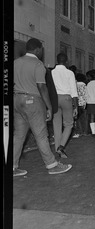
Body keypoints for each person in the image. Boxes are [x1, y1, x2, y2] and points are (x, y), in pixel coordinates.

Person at [13, 38, 72, 176]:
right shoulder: (38, 64)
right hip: (32, 100)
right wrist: (49, 107)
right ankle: (52, 165)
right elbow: (41, 86)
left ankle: (12, 166)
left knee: (18, 136)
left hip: (16, 100)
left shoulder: (15, 63)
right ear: (38, 49)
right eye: (41, 50)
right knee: (41, 135)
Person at [51, 53, 78, 158]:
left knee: (56, 125)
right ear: (66, 61)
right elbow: (73, 91)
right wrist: (75, 106)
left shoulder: (51, 72)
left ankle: (58, 148)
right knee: (69, 124)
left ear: (57, 60)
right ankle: (61, 147)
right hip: (66, 98)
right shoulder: (70, 73)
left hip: (55, 99)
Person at [73, 73, 89, 137]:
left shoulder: (74, 85)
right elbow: (86, 95)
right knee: (84, 118)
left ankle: (78, 132)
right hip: (83, 103)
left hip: (76, 103)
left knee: (77, 119)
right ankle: (85, 131)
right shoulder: (85, 86)